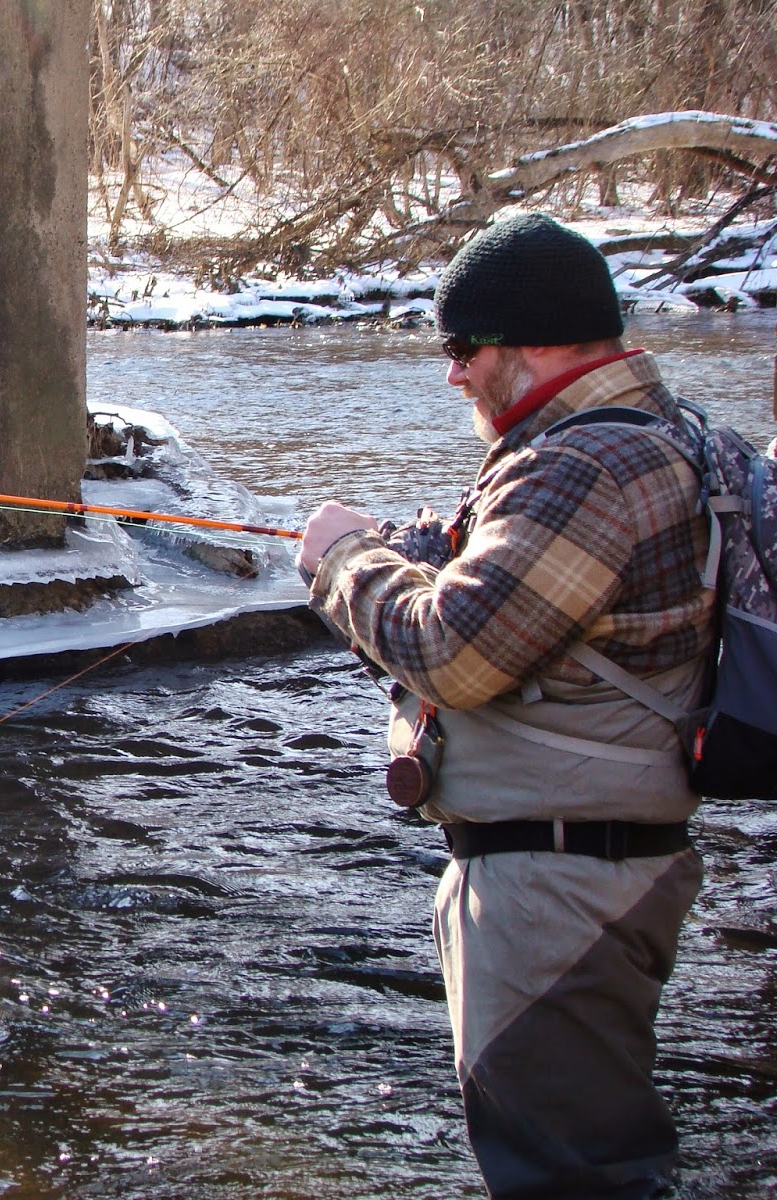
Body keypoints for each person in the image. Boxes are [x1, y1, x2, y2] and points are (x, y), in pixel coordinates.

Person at [296, 212, 715, 1199]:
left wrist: (341, 561)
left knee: (564, 1178)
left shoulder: (587, 464)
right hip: (585, 867)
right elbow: (530, 591)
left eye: (461, 347)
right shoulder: (642, 434)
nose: (452, 374)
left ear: (529, 342)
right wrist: (426, 546)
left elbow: (451, 651)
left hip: (556, 887)